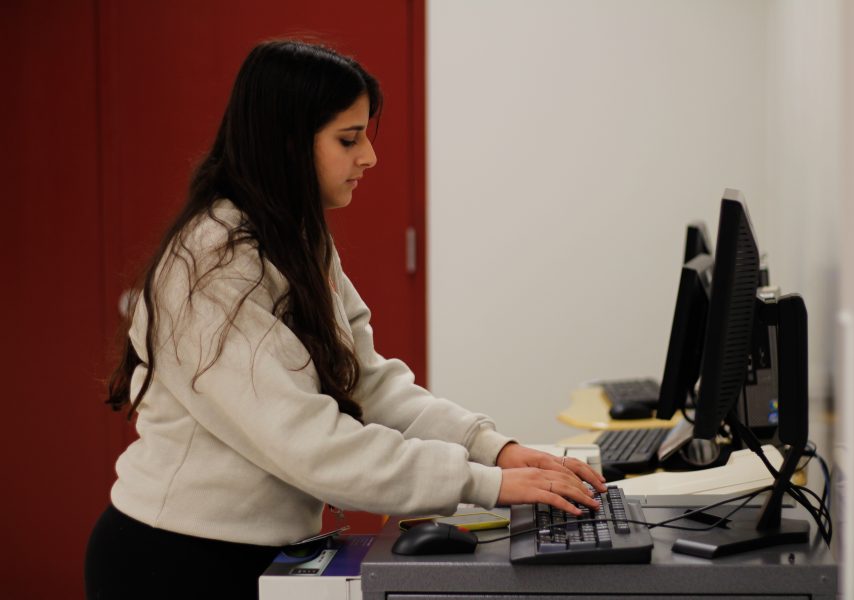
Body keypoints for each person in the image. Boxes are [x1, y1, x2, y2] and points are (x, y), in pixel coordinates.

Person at [84, 39, 605, 599]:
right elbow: (313, 444)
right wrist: (486, 484)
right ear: (286, 143)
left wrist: (493, 448)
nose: (369, 158)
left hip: (250, 551)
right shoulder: (213, 265)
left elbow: (367, 382)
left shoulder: (292, 236)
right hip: (175, 561)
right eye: (348, 139)